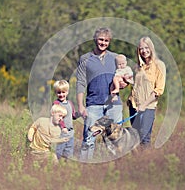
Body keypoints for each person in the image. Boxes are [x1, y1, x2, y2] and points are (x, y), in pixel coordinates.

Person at [76, 27, 128, 161]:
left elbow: (124, 77)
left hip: (114, 105)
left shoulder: (115, 58)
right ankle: (84, 167)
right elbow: (80, 82)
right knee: (89, 139)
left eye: (106, 40)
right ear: (95, 39)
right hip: (93, 104)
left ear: (109, 41)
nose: (103, 43)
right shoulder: (85, 59)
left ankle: (116, 167)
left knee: (116, 139)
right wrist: (81, 106)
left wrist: (123, 84)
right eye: (101, 39)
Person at [128, 36, 166, 148]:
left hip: (148, 107)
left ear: (151, 48)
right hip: (134, 106)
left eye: (146, 48)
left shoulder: (159, 65)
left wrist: (144, 105)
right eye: (141, 49)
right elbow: (136, 86)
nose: (144, 51)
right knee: (136, 139)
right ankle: (137, 164)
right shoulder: (137, 67)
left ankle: (146, 163)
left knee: (145, 139)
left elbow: (158, 90)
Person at [52, 80, 80, 160]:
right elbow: (57, 117)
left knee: (68, 153)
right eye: (59, 92)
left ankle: (66, 168)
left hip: (70, 132)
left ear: (67, 92)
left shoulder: (70, 103)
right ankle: (56, 166)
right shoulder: (56, 104)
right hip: (60, 133)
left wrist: (80, 113)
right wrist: (63, 127)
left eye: (63, 92)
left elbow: (73, 116)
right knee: (59, 152)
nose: (61, 94)